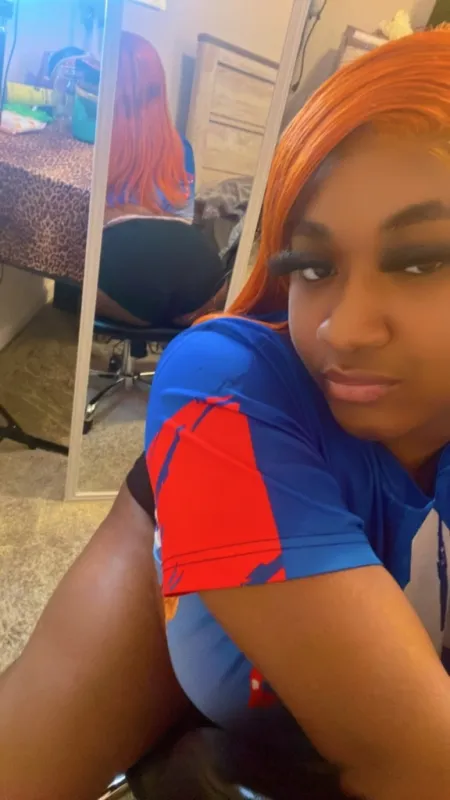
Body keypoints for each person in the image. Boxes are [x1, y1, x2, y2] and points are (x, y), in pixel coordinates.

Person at [2, 25, 450, 800]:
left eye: (421, 261)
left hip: (126, 268)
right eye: (312, 265)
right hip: (188, 286)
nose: (344, 330)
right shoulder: (227, 380)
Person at [97, 31, 229, 328]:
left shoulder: (97, 140)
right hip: (202, 272)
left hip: (126, 272)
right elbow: (183, 218)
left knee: (71, 286)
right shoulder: (182, 148)